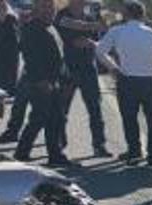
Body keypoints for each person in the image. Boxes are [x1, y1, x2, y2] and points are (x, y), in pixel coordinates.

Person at [96, 1, 152, 165]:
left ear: (126, 14)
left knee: (129, 117)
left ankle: (134, 151)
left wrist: (113, 68)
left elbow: (100, 51)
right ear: (143, 15)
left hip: (127, 78)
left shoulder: (117, 31)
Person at [13, 0, 71, 166]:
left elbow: (59, 57)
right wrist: (41, 81)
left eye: (51, 8)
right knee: (41, 118)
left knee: (54, 119)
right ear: (36, 9)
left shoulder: (51, 27)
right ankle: (26, 153)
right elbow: (31, 58)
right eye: (45, 7)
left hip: (54, 81)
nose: (50, 11)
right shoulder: (31, 28)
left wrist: (65, 79)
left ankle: (51, 155)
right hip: (40, 83)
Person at [55, 0, 109, 157]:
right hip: (68, 67)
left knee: (95, 108)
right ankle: (58, 144)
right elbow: (78, 28)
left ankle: (99, 145)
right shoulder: (61, 15)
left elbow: (100, 37)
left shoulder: (90, 16)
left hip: (88, 67)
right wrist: (96, 27)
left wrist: (94, 38)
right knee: (62, 108)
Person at [0, 0, 26, 143]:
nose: (0, 4)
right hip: (0, 54)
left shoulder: (12, 17)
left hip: (12, 54)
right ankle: (12, 130)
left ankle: (14, 131)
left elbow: (18, 35)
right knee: (5, 84)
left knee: (16, 89)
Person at [0, 0, 20, 95]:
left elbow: (16, 32)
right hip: (0, 49)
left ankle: (12, 90)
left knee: (13, 69)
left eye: (2, 2)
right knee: (1, 70)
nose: (1, 5)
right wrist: (1, 20)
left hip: (12, 49)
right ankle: (1, 90)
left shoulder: (12, 16)